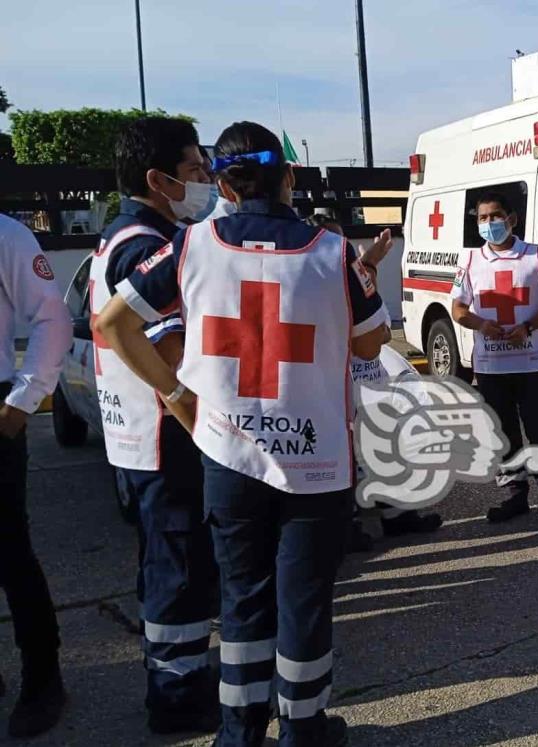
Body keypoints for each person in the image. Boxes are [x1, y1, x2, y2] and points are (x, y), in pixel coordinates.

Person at [97, 121, 391, 747]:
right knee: (304, 603)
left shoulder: (187, 247)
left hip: (228, 458)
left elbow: (112, 324)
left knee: (242, 601)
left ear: (225, 185)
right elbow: (372, 340)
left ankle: (238, 731)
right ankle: (304, 730)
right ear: (289, 177)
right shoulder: (333, 252)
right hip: (316, 463)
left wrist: (179, 398)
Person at [93, 116, 220, 735]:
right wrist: (188, 401)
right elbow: (169, 350)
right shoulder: (146, 245)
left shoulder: (123, 234)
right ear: (157, 179)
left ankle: (179, 674)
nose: (206, 182)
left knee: (169, 560)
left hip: (143, 431)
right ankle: (177, 695)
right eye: (196, 170)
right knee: (178, 566)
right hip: (165, 429)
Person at [303, 213, 443, 545]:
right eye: (331, 241)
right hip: (338, 391)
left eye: (342, 242)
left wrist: (371, 263)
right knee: (343, 463)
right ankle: (347, 530)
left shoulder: (350, 276)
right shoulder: (309, 286)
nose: (339, 249)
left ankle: (397, 518)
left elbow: (373, 315)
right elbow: (377, 334)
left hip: (371, 385)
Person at [451, 193, 538, 525]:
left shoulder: (535, 256)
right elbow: (459, 310)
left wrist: (528, 326)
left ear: (512, 219)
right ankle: (514, 496)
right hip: (491, 367)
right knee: (504, 434)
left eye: (495, 216)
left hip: (532, 363)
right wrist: (482, 325)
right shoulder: (470, 260)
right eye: (482, 218)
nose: (489, 223)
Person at [0, 212, 71, 738]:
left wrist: (24, 399)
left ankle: (43, 677)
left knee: (8, 550)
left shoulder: (7, 234)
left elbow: (52, 316)